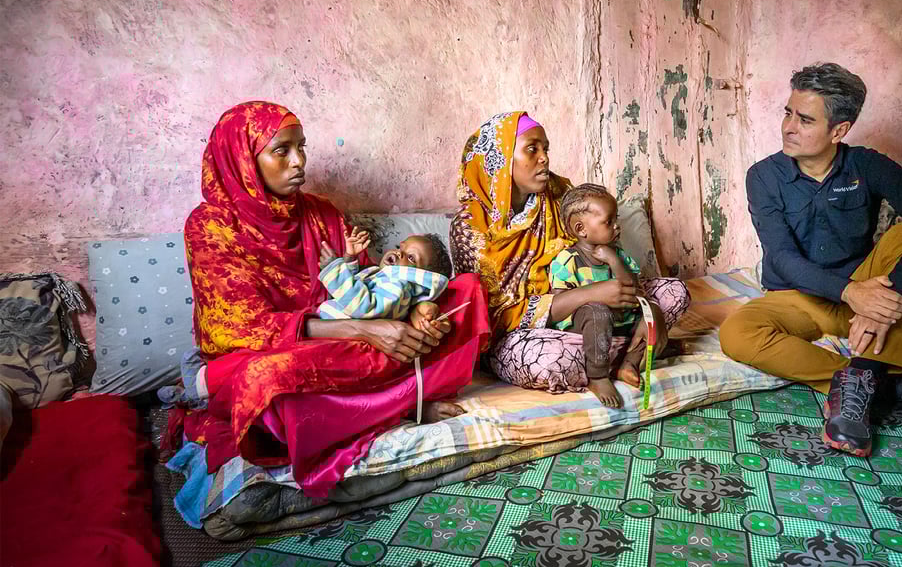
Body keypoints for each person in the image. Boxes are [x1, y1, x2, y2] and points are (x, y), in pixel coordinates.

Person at [171, 102, 490, 498]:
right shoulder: (210, 227)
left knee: (467, 291)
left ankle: (388, 405)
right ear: (243, 159)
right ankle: (402, 405)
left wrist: (422, 308)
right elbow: (242, 327)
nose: (299, 162)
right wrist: (365, 330)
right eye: (281, 151)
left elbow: (370, 285)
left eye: (301, 147)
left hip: (349, 344)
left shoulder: (320, 213)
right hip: (279, 351)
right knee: (266, 380)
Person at [719, 63, 902, 457]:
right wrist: (852, 293)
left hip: (868, 294)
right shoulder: (764, 176)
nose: (788, 127)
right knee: (736, 334)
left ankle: (861, 384)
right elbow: (781, 258)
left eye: (804, 119)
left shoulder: (866, 165)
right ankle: (878, 379)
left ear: (839, 130)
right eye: (787, 113)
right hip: (799, 297)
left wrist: (885, 299)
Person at [449, 111, 690, 398]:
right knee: (548, 361)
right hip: (523, 336)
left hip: (594, 316)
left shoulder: (561, 195)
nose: (544, 158)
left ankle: (620, 349)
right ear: (500, 160)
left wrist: (650, 309)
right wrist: (593, 295)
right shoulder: (470, 227)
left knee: (674, 292)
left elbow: (605, 252)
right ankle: (635, 350)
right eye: (532, 149)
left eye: (545, 148)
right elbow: (491, 317)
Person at [549, 183, 668, 408]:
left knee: (653, 310)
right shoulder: (567, 260)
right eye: (608, 221)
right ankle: (598, 376)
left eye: (617, 220)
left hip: (621, 321)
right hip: (587, 326)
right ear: (581, 229)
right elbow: (559, 307)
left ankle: (629, 364)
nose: (617, 227)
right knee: (597, 310)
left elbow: (633, 288)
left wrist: (613, 259)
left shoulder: (619, 254)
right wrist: (594, 297)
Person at [317, 229, 455, 338]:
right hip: (326, 327)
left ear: (420, 277)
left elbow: (363, 307)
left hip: (337, 336)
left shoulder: (398, 286)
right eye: (399, 248)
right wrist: (349, 258)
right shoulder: (379, 274)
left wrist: (335, 270)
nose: (399, 253)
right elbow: (348, 292)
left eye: (411, 257)